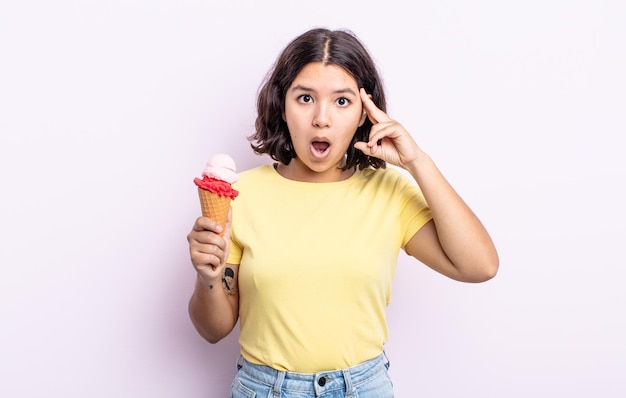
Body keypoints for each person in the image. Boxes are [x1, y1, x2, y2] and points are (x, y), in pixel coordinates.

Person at [187, 27, 499, 398]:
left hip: (364, 388)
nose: (321, 118)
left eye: (342, 101)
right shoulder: (241, 194)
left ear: (364, 114)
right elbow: (213, 330)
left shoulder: (389, 192)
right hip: (266, 389)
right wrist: (207, 277)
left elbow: (480, 266)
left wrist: (417, 162)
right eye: (305, 98)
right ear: (282, 107)